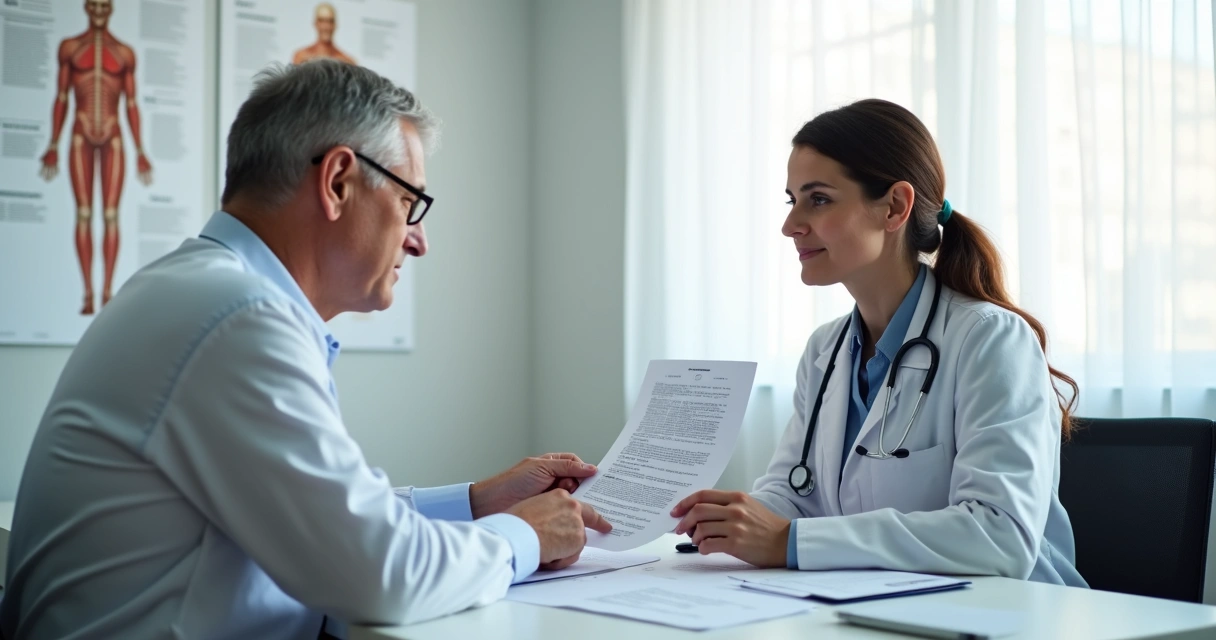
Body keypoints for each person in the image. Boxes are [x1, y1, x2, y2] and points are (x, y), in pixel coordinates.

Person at [0, 60, 610, 640]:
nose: (419, 241)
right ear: (338, 180)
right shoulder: (239, 318)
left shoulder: (196, 291)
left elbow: (326, 521)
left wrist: (478, 503)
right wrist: (519, 538)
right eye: (409, 203)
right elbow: (377, 573)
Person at [670, 99, 1087, 587]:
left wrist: (791, 542)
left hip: (1008, 615)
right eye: (792, 200)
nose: (791, 225)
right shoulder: (825, 351)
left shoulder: (990, 339)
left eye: (818, 199)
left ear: (894, 207)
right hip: (878, 608)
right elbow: (791, 496)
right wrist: (711, 516)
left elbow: (999, 537)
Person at [40, 0, 152, 315]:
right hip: (80, 132)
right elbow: (61, 96)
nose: (100, 11)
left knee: (111, 214)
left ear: (111, 8)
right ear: (87, 8)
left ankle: (107, 291)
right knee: (85, 213)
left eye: (105, 5)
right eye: (95, 5)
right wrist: (52, 144)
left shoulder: (125, 53)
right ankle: (88, 293)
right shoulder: (70, 48)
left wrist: (141, 150)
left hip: (114, 135)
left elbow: (131, 104)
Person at [292, 2, 357, 65]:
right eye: (322, 21)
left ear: (335, 25)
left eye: (330, 21)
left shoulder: (346, 61)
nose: (326, 27)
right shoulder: (301, 57)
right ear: (315, 23)